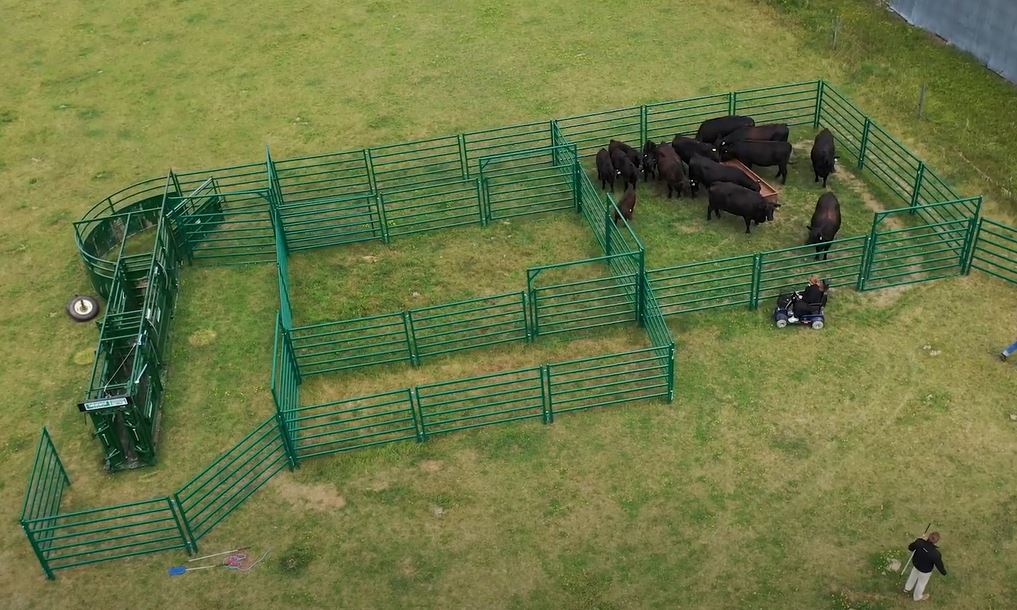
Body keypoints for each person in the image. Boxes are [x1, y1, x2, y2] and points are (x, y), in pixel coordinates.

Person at [904, 531, 947, 601]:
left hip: (916, 564)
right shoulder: (936, 554)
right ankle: (917, 597)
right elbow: (939, 565)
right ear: (936, 542)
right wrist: (944, 573)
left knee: (913, 576)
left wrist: (918, 540)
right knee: (921, 584)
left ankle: (907, 588)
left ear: (928, 536)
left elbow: (910, 548)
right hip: (925, 571)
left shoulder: (919, 542)